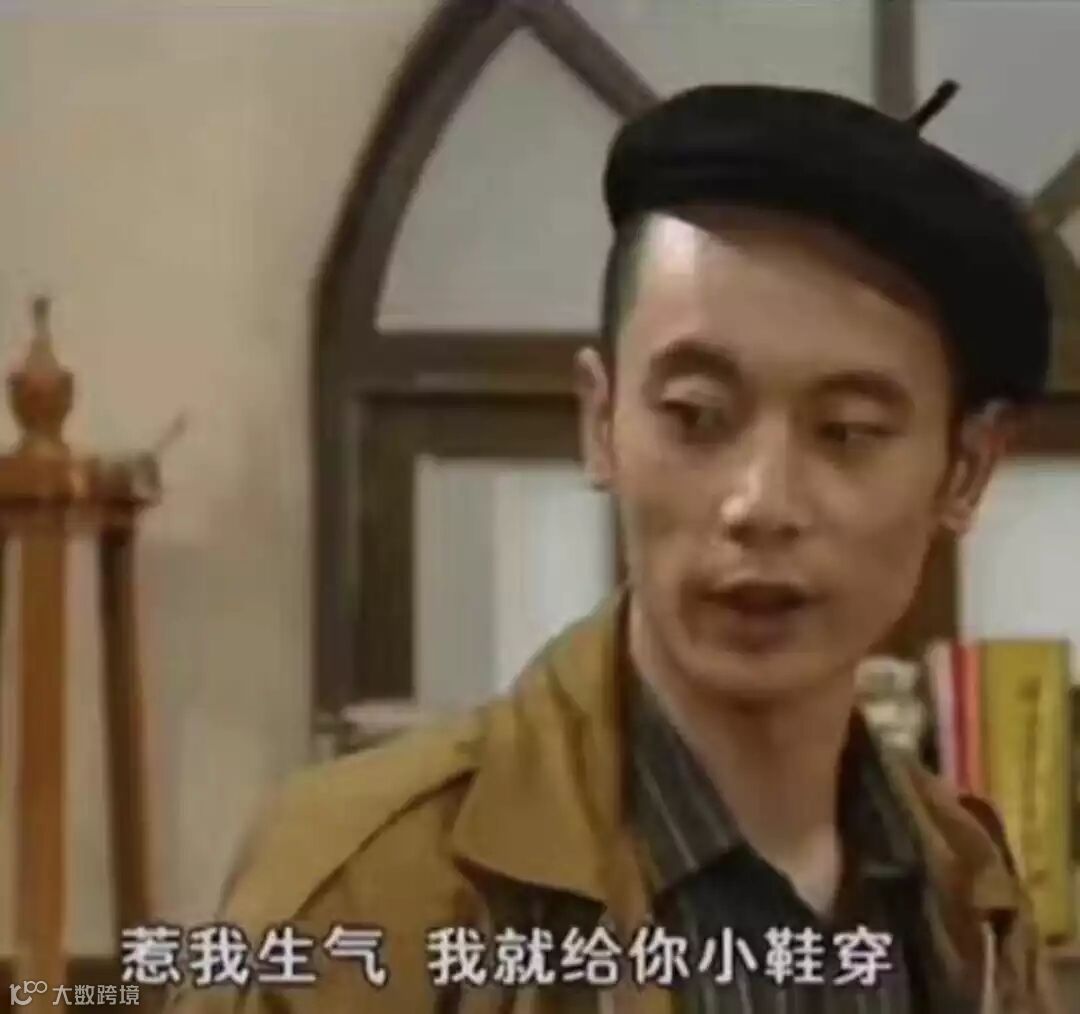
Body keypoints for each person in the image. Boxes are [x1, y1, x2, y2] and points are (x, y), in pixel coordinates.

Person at [168, 84, 1062, 1013]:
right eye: (696, 416)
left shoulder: (966, 894)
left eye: (847, 431)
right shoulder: (368, 884)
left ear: (965, 470)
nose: (758, 504)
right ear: (601, 422)